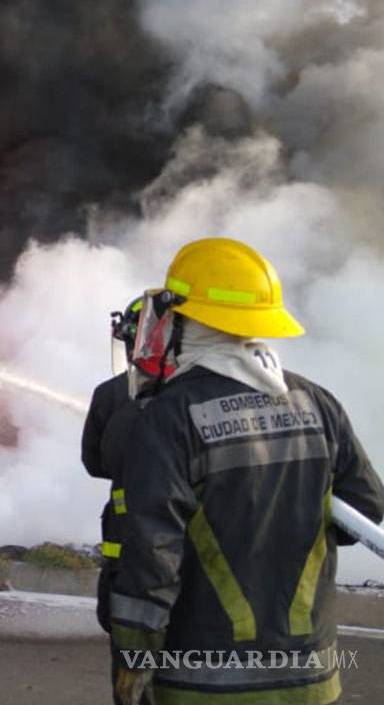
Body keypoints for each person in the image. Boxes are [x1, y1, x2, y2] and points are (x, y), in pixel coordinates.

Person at [110, 238, 384, 705]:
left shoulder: (172, 416)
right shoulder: (316, 403)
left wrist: (133, 668)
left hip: (205, 687)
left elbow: (151, 560)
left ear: (184, 320)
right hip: (312, 682)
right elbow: (366, 506)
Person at [82, 296, 157, 704]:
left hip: (129, 566)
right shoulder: (205, 397)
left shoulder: (112, 395)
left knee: (133, 676)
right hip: (200, 571)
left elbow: (94, 463)